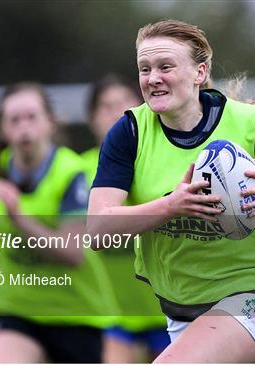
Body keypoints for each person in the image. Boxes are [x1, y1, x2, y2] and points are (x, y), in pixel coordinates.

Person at [87, 19, 255, 363]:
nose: (153, 78)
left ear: (199, 73)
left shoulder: (250, 124)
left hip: (253, 300)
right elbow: (97, 228)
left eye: (165, 66)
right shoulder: (129, 133)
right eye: (145, 68)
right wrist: (172, 205)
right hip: (180, 313)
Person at [0, 82, 116, 363]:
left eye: (32, 117)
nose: (24, 127)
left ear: (50, 122)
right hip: (14, 308)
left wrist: (19, 218)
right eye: (14, 119)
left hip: (75, 312)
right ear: (2, 129)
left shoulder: (72, 173)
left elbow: (72, 254)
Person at [82, 75, 171, 363]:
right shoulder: (76, 171)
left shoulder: (162, 164)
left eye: (123, 104)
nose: (115, 113)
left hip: (165, 303)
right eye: (105, 106)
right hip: (108, 309)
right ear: (91, 118)